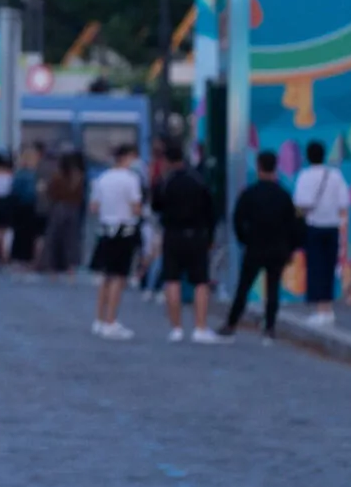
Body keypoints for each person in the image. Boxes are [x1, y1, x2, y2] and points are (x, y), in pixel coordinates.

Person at [221, 150, 301, 339]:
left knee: (244, 287)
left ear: (258, 167)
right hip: (278, 247)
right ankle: (269, 327)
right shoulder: (283, 195)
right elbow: (294, 224)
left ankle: (231, 323)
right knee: (273, 289)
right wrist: (290, 248)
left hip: (255, 246)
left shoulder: (249, 193)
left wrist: (244, 239)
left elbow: (237, 219)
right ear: (275, 167)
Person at [153, 142, 221, 343]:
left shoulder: (164, 182)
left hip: (172, 234)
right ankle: (200, 327)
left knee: (172, 280)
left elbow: (156, 207)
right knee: (201, 281)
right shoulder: (198, 180)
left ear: (166, 161)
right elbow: (211, 211)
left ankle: (176, 328)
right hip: (197, 234)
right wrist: (210, 238)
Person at [292, 138, 351, 326]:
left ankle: (320, 310)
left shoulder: (304, 176)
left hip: (313, 226)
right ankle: (328, 309)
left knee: (315, 268)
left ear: (307, 156)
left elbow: (300, 204)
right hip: (332, 226)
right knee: (329, 268)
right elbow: (344, 202)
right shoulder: (335, 175)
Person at [87, 144, 145, 337]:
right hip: (124, 230)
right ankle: (111, 321)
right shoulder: (131, 179)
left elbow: (93, 207)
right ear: (127, 158)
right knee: (118, 277)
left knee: (105, 276)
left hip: (105, 229)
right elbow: (136, 207)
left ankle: (99, 319)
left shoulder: (102, 178)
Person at [40, 152, 86, 274]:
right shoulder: (78, 177)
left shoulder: (57, 177)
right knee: (72, 239)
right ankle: (71, 266)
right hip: (73, 208)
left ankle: (53, 266)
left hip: (58, 208)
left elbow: (50, 192)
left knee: (54, 238)